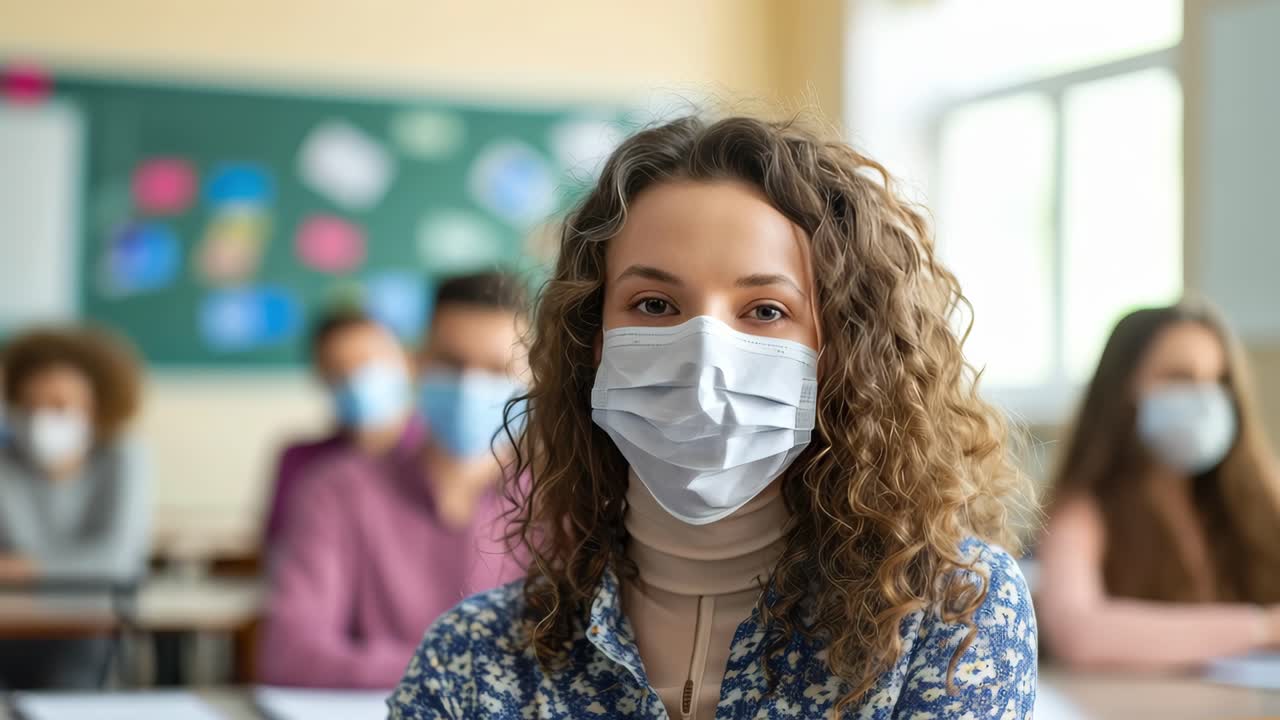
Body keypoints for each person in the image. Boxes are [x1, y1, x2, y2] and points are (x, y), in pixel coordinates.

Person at [390, 116, 1037, 719]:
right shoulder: (470, 661)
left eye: (764, 310)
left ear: (841, 349)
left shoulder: (948, 614)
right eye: (653, 304)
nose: (703, 356)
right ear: (595, 344)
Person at [258, 271, 529, 688]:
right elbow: (290, 653)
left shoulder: (568, 503)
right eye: (452, 363)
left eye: (497, 369)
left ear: (535, 376)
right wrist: (476, 674)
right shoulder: (336, 490)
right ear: (416, 363)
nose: (470, 385)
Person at [1037, 303, 1280, 669]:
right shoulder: (1084, 512)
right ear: (1124, 390)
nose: (1204, 399)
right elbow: (1076, 631)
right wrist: (1262, 628)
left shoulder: (1260, 497)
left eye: (1219, 381)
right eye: (1180, 377)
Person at [0, 326, 149, 688]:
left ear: (94, 409)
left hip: (90, 622)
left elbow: (117, 560)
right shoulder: (7, 463)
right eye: (31, 406)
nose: (42, 419)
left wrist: (27, 569)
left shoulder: (123, 457)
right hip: (12, 623)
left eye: (59, 406)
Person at [262, 307, 419, 544]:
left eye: (368, 363)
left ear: (406, 363)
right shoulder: (300, 462)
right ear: (320, 377)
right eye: (339, 370)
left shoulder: (438, 456)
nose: (356, 380)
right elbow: (281, 547)